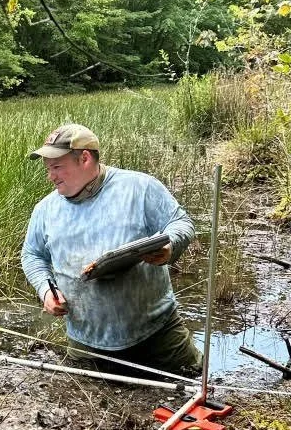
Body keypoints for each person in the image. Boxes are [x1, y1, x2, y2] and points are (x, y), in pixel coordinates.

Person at [21, 122, 202, 376]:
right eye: (48, 169)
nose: (51, 176)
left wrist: (169, 247)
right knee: (89, 408)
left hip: (158, 334)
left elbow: (181, 222)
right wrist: (45, 290)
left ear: (84, 158)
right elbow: (32, 255)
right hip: (86, 341)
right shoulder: (45, 210)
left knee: (194, 387)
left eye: (57, 167)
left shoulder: (139, 188)